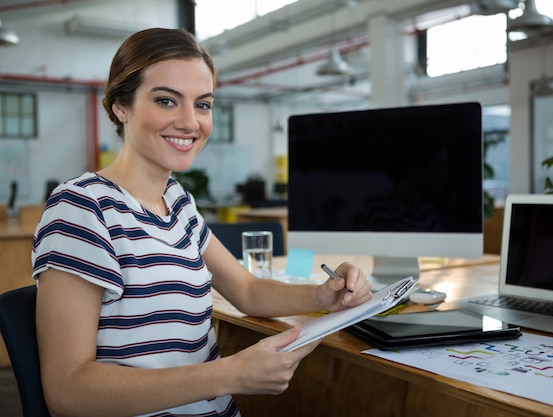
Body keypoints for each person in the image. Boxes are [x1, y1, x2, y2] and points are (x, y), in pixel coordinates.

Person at [32, 28, 372, 417]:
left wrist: (323, 295)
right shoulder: (81, 208)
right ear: (119, 107)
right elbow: (67, 390)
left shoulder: (177, 202)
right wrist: (228, 375)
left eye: (203, 104)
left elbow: (246, 289)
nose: (190, 122)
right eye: (166, 100)